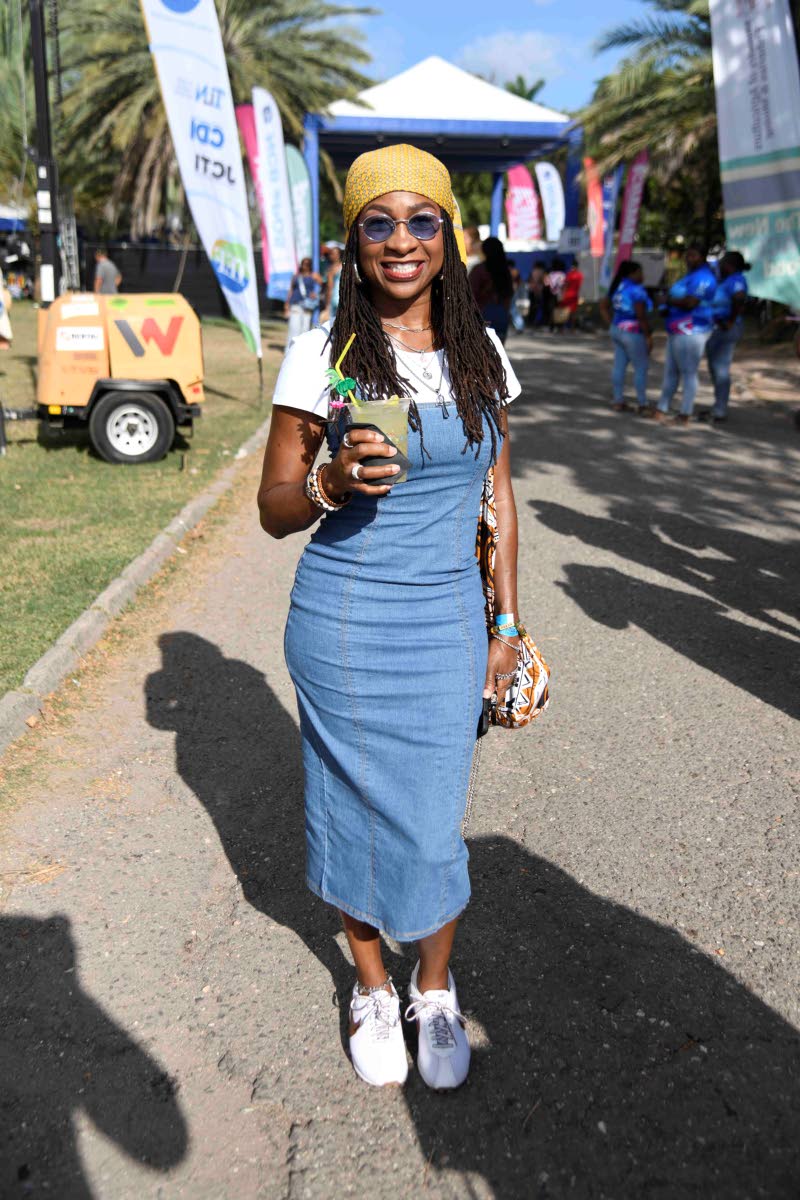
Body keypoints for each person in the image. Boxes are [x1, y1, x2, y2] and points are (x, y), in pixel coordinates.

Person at [257, 144, 523, 1091]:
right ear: (354, 241)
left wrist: (505, 627)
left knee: (431, 820)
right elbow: (274, 504)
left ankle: (435, 988)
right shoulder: (325, 357)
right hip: (343, 623)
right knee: (350, 809)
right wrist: (329, 480)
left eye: (421, 221)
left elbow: (498, 499)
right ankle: (373, 984)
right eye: (379, 222)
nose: (400, 241)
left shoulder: (480, 352)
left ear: (448, 238)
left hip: (447, 624)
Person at [655, 243, 717, 425]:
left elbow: (691, 303)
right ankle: (662, 408)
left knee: (688, 372)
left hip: (692, 329)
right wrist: (666, 305)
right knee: (671, 371)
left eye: (693, 255)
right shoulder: (690, 276)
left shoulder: (704, 278)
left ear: (702, 257)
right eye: (687, 255)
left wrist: (668, 300)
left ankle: (685, 414)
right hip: (676, 328)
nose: (689, 259)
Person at [700, 251, 750, 424]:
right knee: (715, 366)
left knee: (720, 368)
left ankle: (720, 408)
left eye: (722, 263)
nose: (719, 266)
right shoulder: (725, 280)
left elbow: (739, 298)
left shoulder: (736, 280)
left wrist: (730, 320)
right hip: (717, 327)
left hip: (726, 328)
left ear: (729, 265)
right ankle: (718, 404)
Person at [600, 260, 653, 413]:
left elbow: (603, 306)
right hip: (633, 331)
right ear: (632, 273)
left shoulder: (617, 286)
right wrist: (648, 336)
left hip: (617, 328)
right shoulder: (637, 290)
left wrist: (613, 323)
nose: (643, 275)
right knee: (641, 367)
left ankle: (618, 400)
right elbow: (641, 315)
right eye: (640, 272)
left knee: (619, 366)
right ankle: (642, 403)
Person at [469, 235, 513, 342]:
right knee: (498, 353)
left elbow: (470, 295)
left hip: (481, 318)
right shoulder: (505, 272)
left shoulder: (479, 270)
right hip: (501, 317)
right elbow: (509, 295)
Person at [284, 257, 321, 347]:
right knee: (294, 327)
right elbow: (291, 290)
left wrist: (316, 294)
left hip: (307, 305)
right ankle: (290, 348)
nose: (305, 266)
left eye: (307, 264)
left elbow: (324, 285)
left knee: (305, 328)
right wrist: (287, 303)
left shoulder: (314, 275)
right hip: (296, 303)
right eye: (304, 263)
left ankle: (302, 348)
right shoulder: (296, 276)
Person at [561, 261, 584, 332]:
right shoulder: (580, 275)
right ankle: (572, 328)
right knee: (573, 313)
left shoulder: (569, 274)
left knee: (565, 312)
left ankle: (563, 327)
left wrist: (562, 293)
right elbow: (580, 285)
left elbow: (565, 285)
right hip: (574, 295)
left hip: (568, 295)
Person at [321, 244, 342, 322]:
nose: (330, 256)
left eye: (332, 254)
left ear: (338, 255)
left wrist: (327, 306)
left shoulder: (332, 269)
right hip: (342, 299)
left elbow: (330, 287)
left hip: (335, 299)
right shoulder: (345, 267)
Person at [546, 258, 566, 332]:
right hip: (560, 294)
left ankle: (551, 326)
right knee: (560, 310)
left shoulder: (551, 274)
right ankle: (560, 327)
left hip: (551, 294)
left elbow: (547, 283)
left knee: (552, 310)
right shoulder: (562, 274)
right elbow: (563, 285)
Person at [508, 260, 528, 334]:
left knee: (515, 311)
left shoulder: (511, 272)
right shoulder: (516, 271)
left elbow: (515, 283)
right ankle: (520, 326)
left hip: (514, 293)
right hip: (519, 294)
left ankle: (520, 327)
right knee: (517, 312)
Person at [527, 260, 548, 329]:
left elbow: (529, 280)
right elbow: (545, 282)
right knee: (539, 307)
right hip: (539, 291)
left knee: (532, 307)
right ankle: (538, 322)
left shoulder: (533, 271)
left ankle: (530, 321)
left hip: (532, 290)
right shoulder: (543, 272)